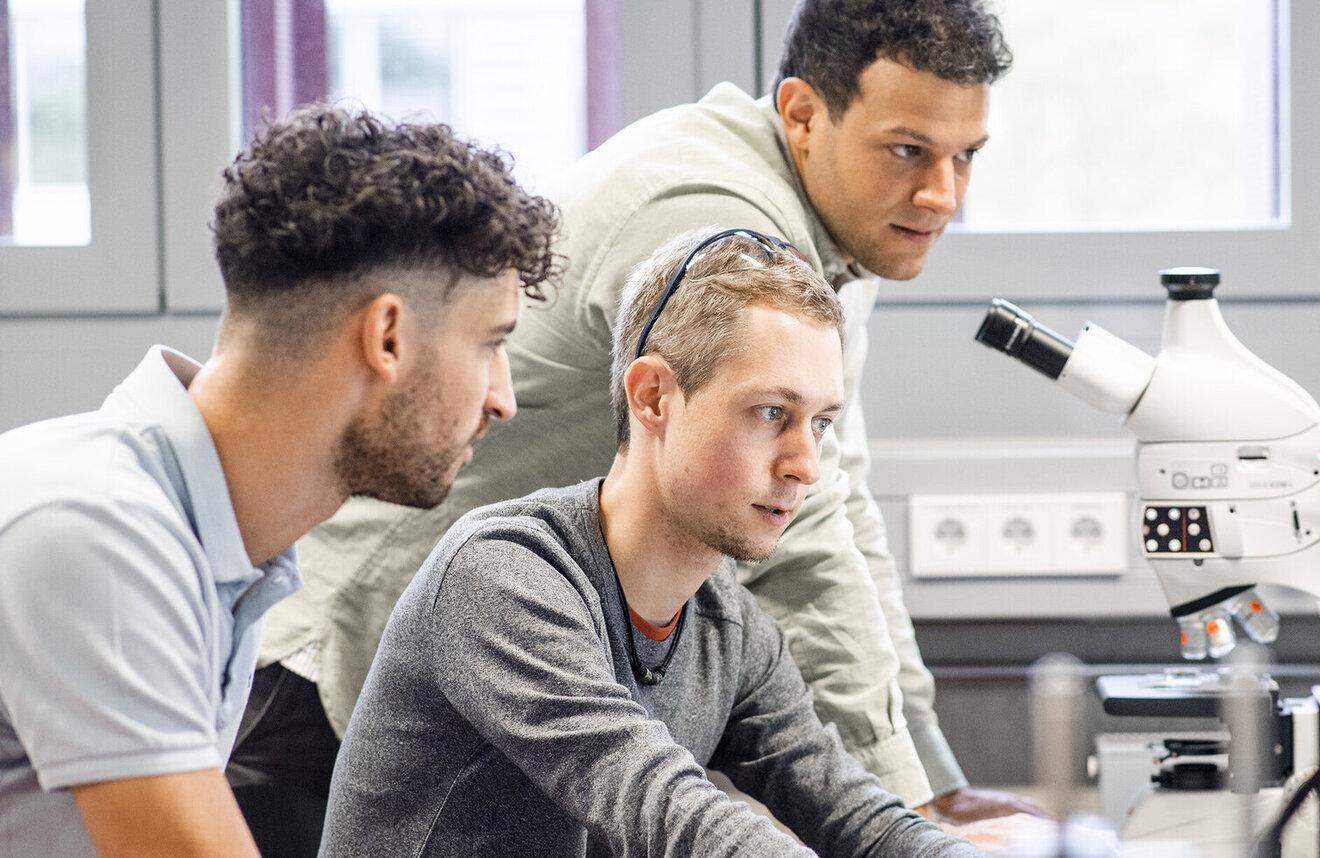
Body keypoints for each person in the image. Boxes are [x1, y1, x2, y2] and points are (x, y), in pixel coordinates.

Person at [252, 0, 1035, 823]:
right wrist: (916, 801)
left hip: (519, 656)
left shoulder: (844, 235)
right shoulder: (723, 226)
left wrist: (927, 782)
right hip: (341, 658)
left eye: (966, 156)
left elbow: (843, 507)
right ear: (804, 115)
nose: (942, 194)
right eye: (908, 150)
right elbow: (806, 550)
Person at [320, 227, 990, 857]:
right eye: (771, 413)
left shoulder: (728, 627)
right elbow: (670, 812)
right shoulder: (501, 578)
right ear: (652, 397)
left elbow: (860, 818)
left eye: (819, 423)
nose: (805, 466)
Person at [0, 104, 559, 857]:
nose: (503, 399)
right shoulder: (99, 531)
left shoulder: (221, 542)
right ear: (388, 336)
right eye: (490, 344)